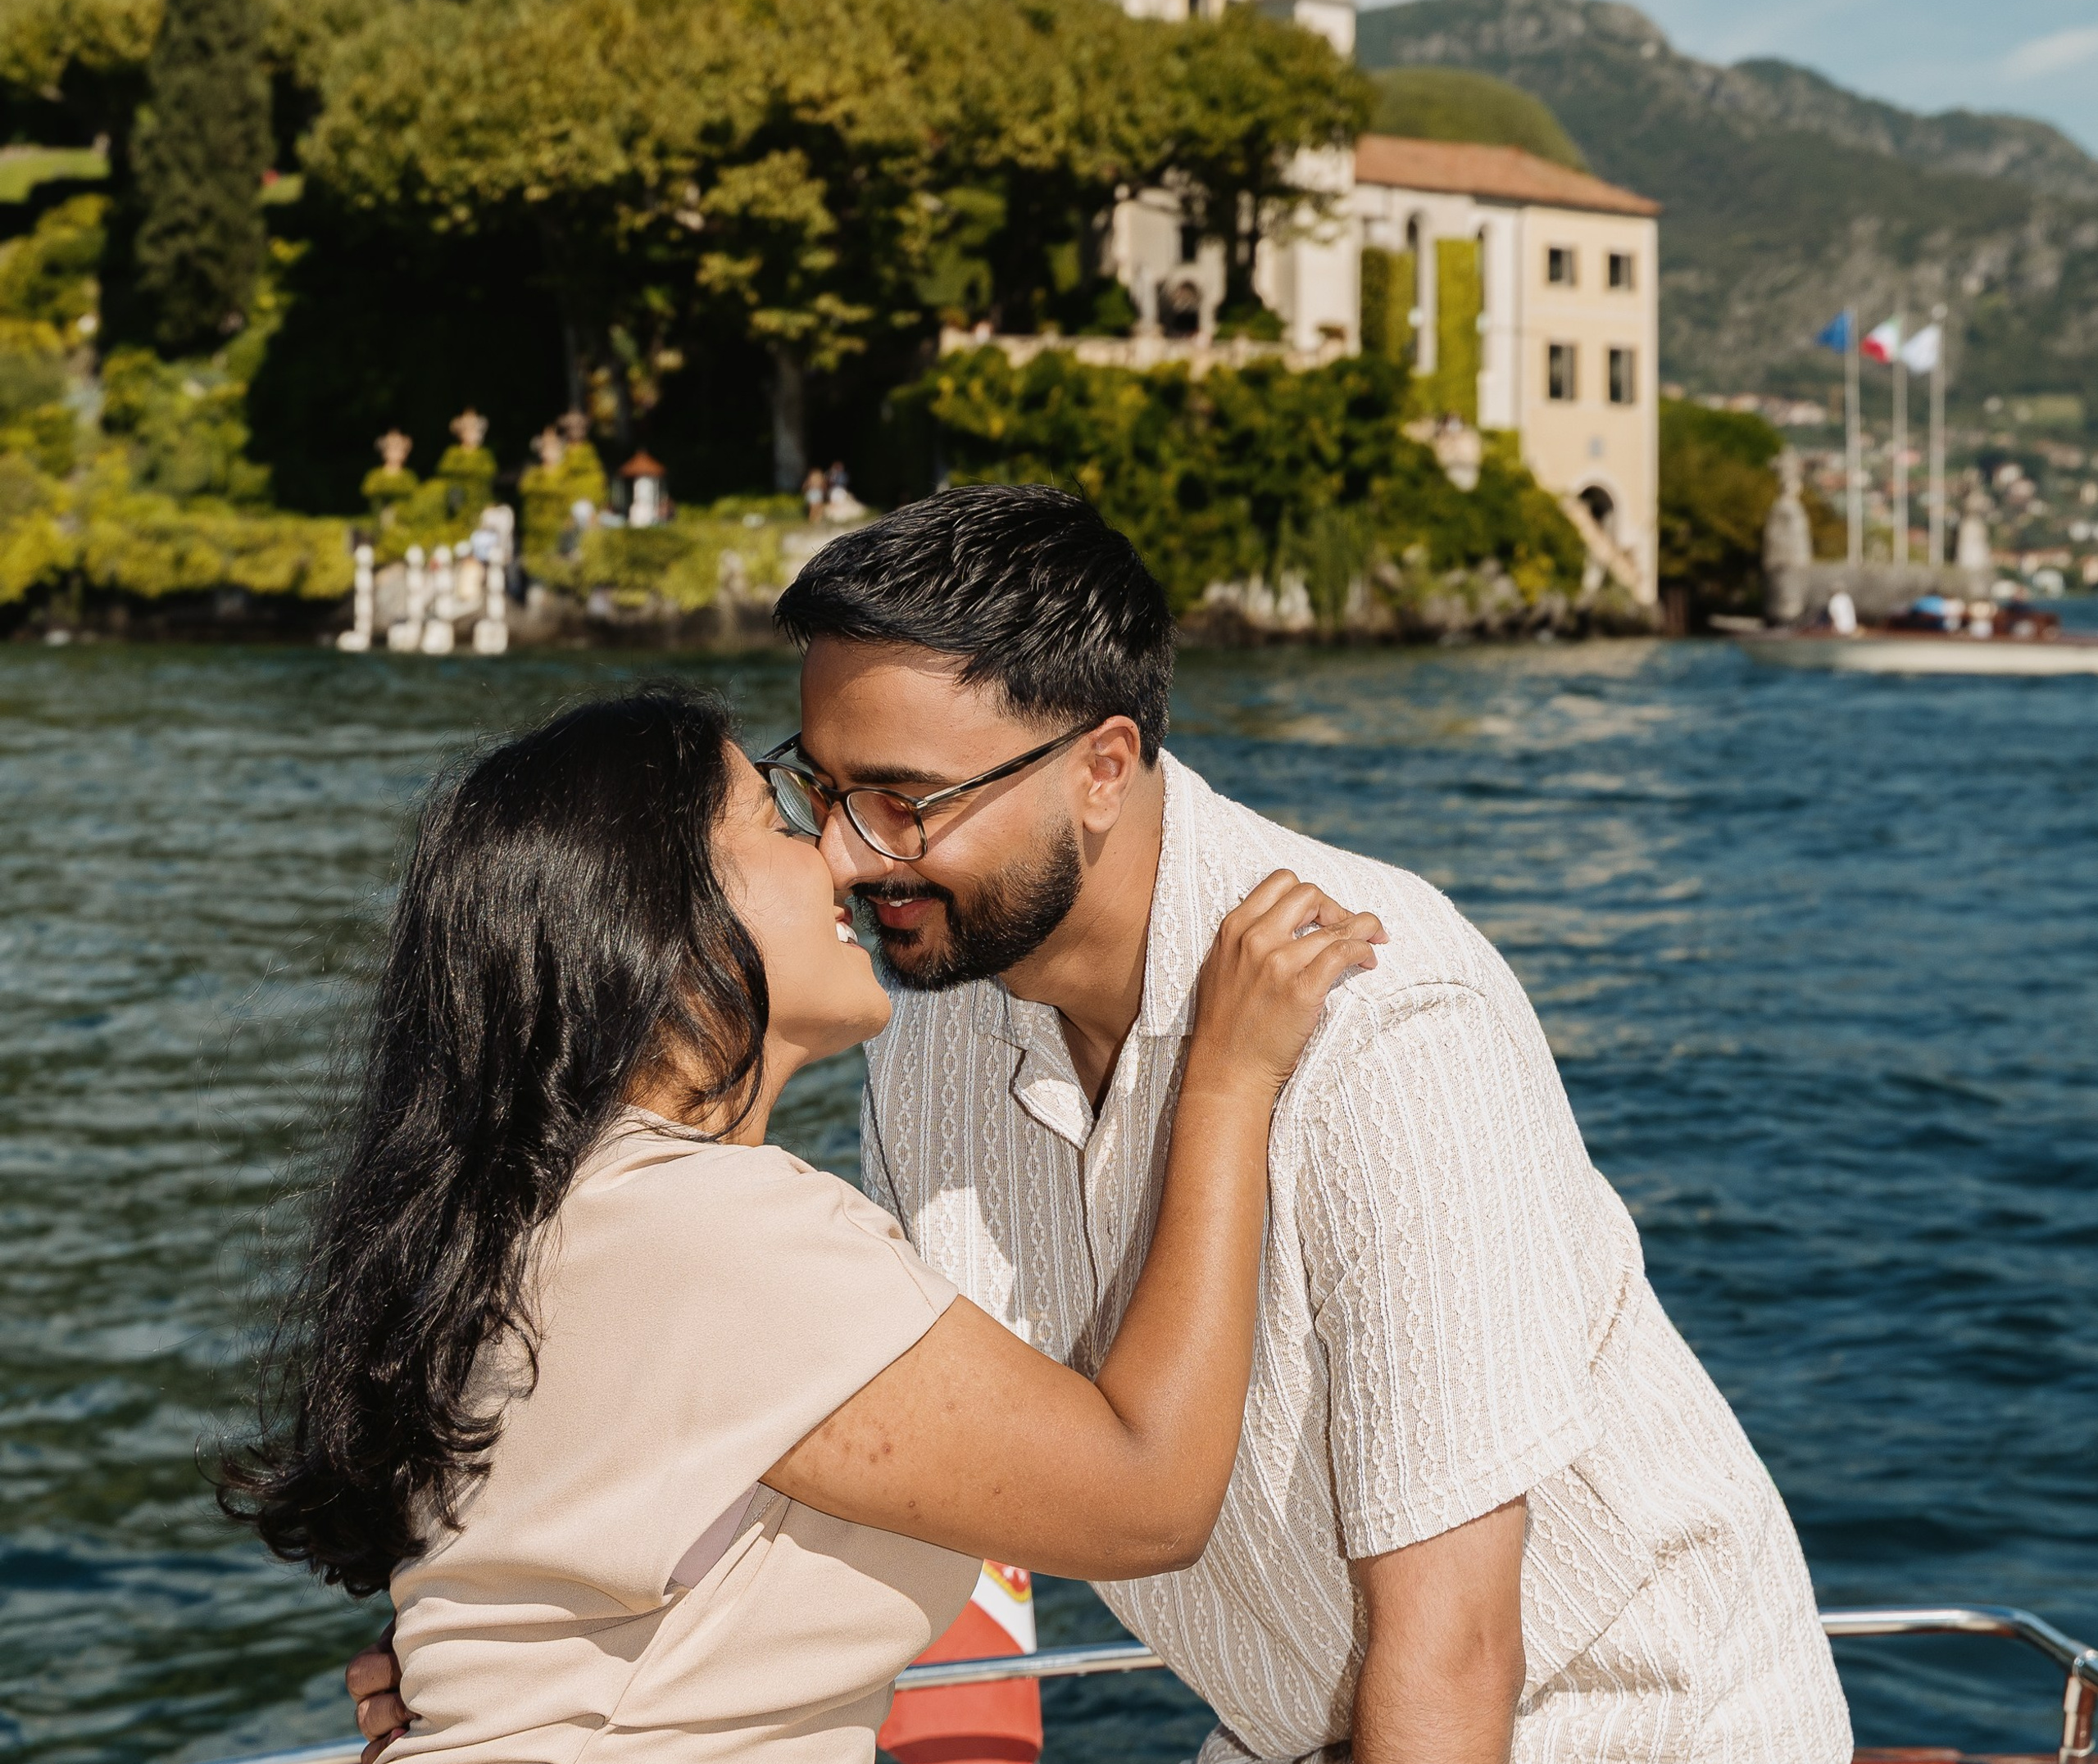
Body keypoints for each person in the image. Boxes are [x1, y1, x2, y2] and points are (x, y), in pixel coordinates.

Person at [352, 487, 1855, 1764]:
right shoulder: (928, 1027)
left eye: (908, 798)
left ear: (1104, 767)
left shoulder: (1385, 1012)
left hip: (1601, 1725)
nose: (857, 857)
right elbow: (968, 1438)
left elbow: (1453, 1640)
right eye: (823, 793)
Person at [229, 684, 1380, 1762]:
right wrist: (1226, 1079)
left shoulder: (558, 1209)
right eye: (776, 821)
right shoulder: (717, 1232)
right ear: (659, 912)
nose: (838, 854)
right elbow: (1148, 1499)